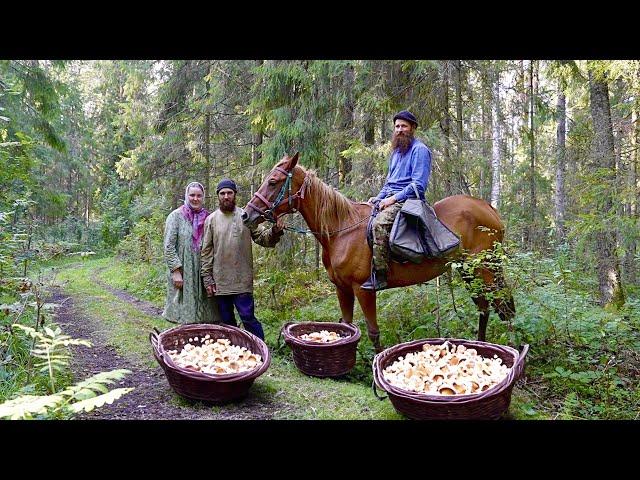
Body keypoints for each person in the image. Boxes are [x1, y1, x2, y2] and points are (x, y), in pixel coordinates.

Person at [200, 178, 284, 340]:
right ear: (218, 196)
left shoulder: (246, 216)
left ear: (235, 195)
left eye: (229, 193)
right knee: (226, 322)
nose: (226, 196)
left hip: (242, 280)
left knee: (248, 318)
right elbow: (206, 251)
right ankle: (234, 353)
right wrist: (207, 278)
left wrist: (275, 231)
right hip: (220, 281)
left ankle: (260, 349)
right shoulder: (211, 220)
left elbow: (263, 238)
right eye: (222, 193)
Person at [362, 110, 433, 291]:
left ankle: (381, 274)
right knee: (364, 218)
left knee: (380, 223)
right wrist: (378, 198)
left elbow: (418, 185)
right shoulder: (396, 152)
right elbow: (389, 183)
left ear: (413, 128)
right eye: (397, 126)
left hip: (410, 200)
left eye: (404, 126)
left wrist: (392, 199)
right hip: (391, 198)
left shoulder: (420, 150)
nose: (400, 130)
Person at [162, 181, 220, 324]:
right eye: (192, 195)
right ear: (187, 196)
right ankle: (184, 336)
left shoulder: (209, 218)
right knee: (184, 307)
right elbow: (168, 246)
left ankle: (202, 337)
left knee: (207, 309)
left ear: (203, 197)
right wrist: (176, 271)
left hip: (204, 269)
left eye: (199, 196)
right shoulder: (175, 216)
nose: (195, 198)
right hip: (184, 270)